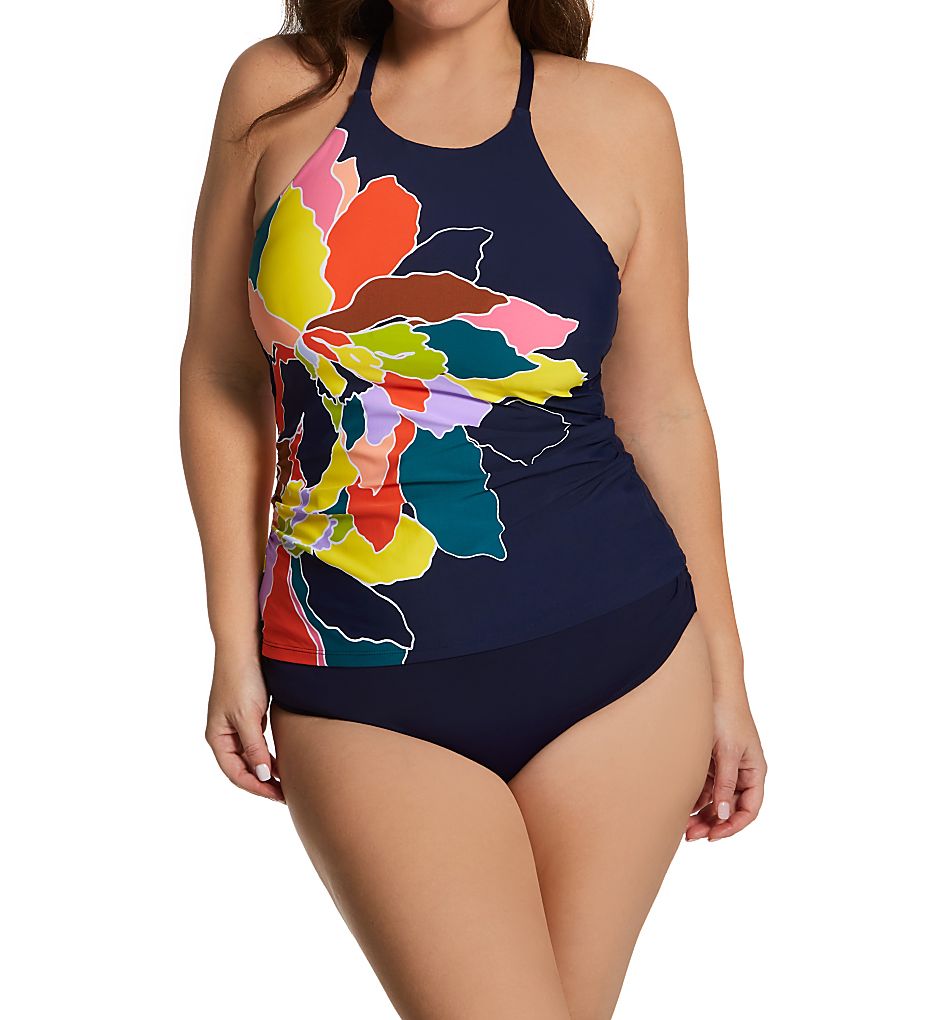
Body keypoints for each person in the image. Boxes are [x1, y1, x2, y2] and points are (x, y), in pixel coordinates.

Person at [180, 2, 767, 1016]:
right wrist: (230, 639)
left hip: (622, 662)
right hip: (357, 676)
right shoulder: (279, 88)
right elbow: (222, 375)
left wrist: (727, 672)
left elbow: (661, 404)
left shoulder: (624, 114)